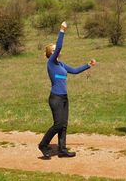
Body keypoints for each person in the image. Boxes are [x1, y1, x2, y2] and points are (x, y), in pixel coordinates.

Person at [38, 21, 96, 159]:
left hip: (64, 98)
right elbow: (59, 46)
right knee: (58, 124)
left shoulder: (62, 65)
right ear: (51, 53)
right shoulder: (51, 63)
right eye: (54, 49)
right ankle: (43, 144)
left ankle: (62, 149)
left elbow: (74, 70)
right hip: (55, 98)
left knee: (63, 125)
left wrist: (88, 65)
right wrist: (62, 30)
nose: (57, 49)